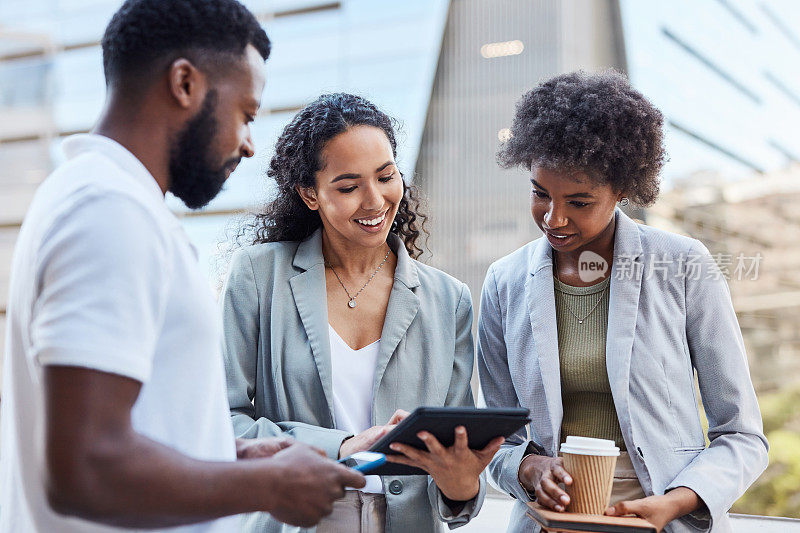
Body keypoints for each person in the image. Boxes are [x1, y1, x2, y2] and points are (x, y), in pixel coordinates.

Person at [0, 2, 365, 532]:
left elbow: (124, 428)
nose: (247, 141)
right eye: (245, 112)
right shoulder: (108, 210)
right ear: (185, 84)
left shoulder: (97, 198)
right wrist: (269, 486)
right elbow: (84, 465)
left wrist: (226, 454)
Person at [477, 71, 768, 533]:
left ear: (623, 190)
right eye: (539, 193)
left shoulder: (683, 264)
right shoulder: (503, 282)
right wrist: (528, 469)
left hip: (664, 520)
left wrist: (674, 503)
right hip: (550, 524)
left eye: (579, 200)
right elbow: (495, 441)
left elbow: (742, 435)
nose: (554, 218)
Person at [220, 92, 503, 532]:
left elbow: (460, 476)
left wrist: (461, 485)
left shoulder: (450, 300)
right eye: (349, 187)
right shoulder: (259, 277)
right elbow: (224, 423)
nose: (375, 201)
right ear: (309, 194)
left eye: (386, 176)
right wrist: (343, 446)